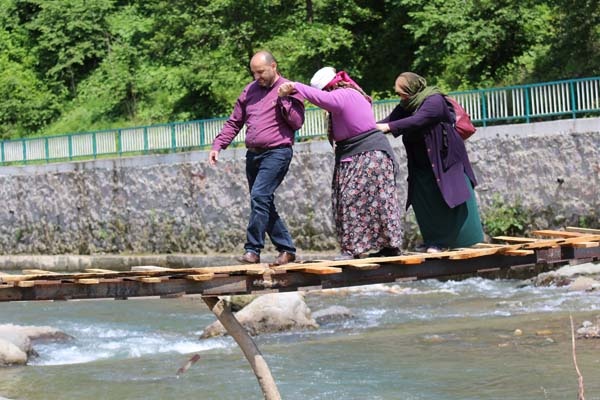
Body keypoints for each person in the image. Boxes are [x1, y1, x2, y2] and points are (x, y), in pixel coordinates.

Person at [278, 67, 403, 259]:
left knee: (352, 201)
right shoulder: (350, 93)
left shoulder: (344, 95)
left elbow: (323, 99)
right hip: (360, 154)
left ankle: (360, 248)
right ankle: (381, 246)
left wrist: (295, 86)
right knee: (371, 201)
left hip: (367, 154)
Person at [209, 51, 305, 265]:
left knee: (260, 196)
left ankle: (252, 250)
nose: (257, 77)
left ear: (273, 66)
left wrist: (284, 100)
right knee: (263, 201)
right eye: (254, 73)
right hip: (253, 155)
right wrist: (218, 145)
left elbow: (297, 122)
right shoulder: (249, 91)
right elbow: (234, 121)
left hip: (277, 152)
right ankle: (286, 249)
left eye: (260, 72)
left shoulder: (290, 89)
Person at [376, 72, 484, 252]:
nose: (400, 96)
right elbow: (390, 120)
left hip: (444, 158)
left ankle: (455, 241)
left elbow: (418, 120)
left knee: (449, 195)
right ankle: (433, 240)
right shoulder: (407, 104)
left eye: (402, 92)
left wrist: (389, 127)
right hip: (421, 162)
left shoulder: (434, 100)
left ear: (413, 88)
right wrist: (366, 128)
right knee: (423, 199)